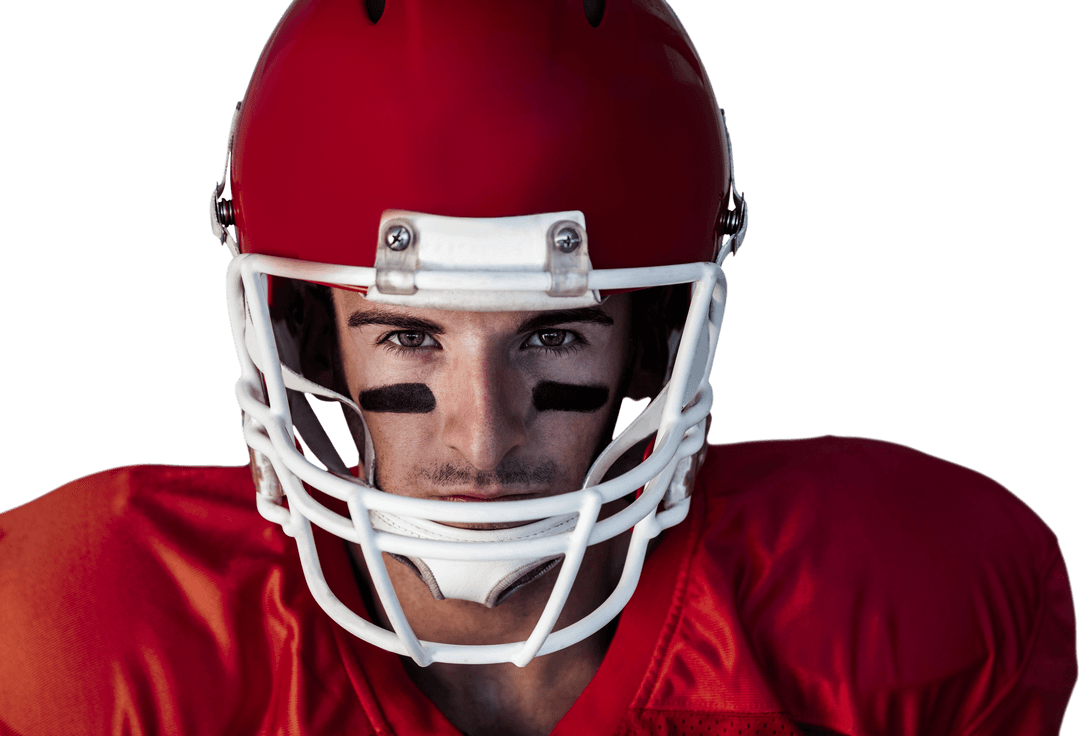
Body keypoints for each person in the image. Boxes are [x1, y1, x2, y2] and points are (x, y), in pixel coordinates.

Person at [1, 1, 1075, 734]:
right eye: (410, 334)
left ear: (653, 341)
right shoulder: (93, 639)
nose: (483, 436)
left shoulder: (879, 619)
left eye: (554, 335)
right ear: (307, 337)